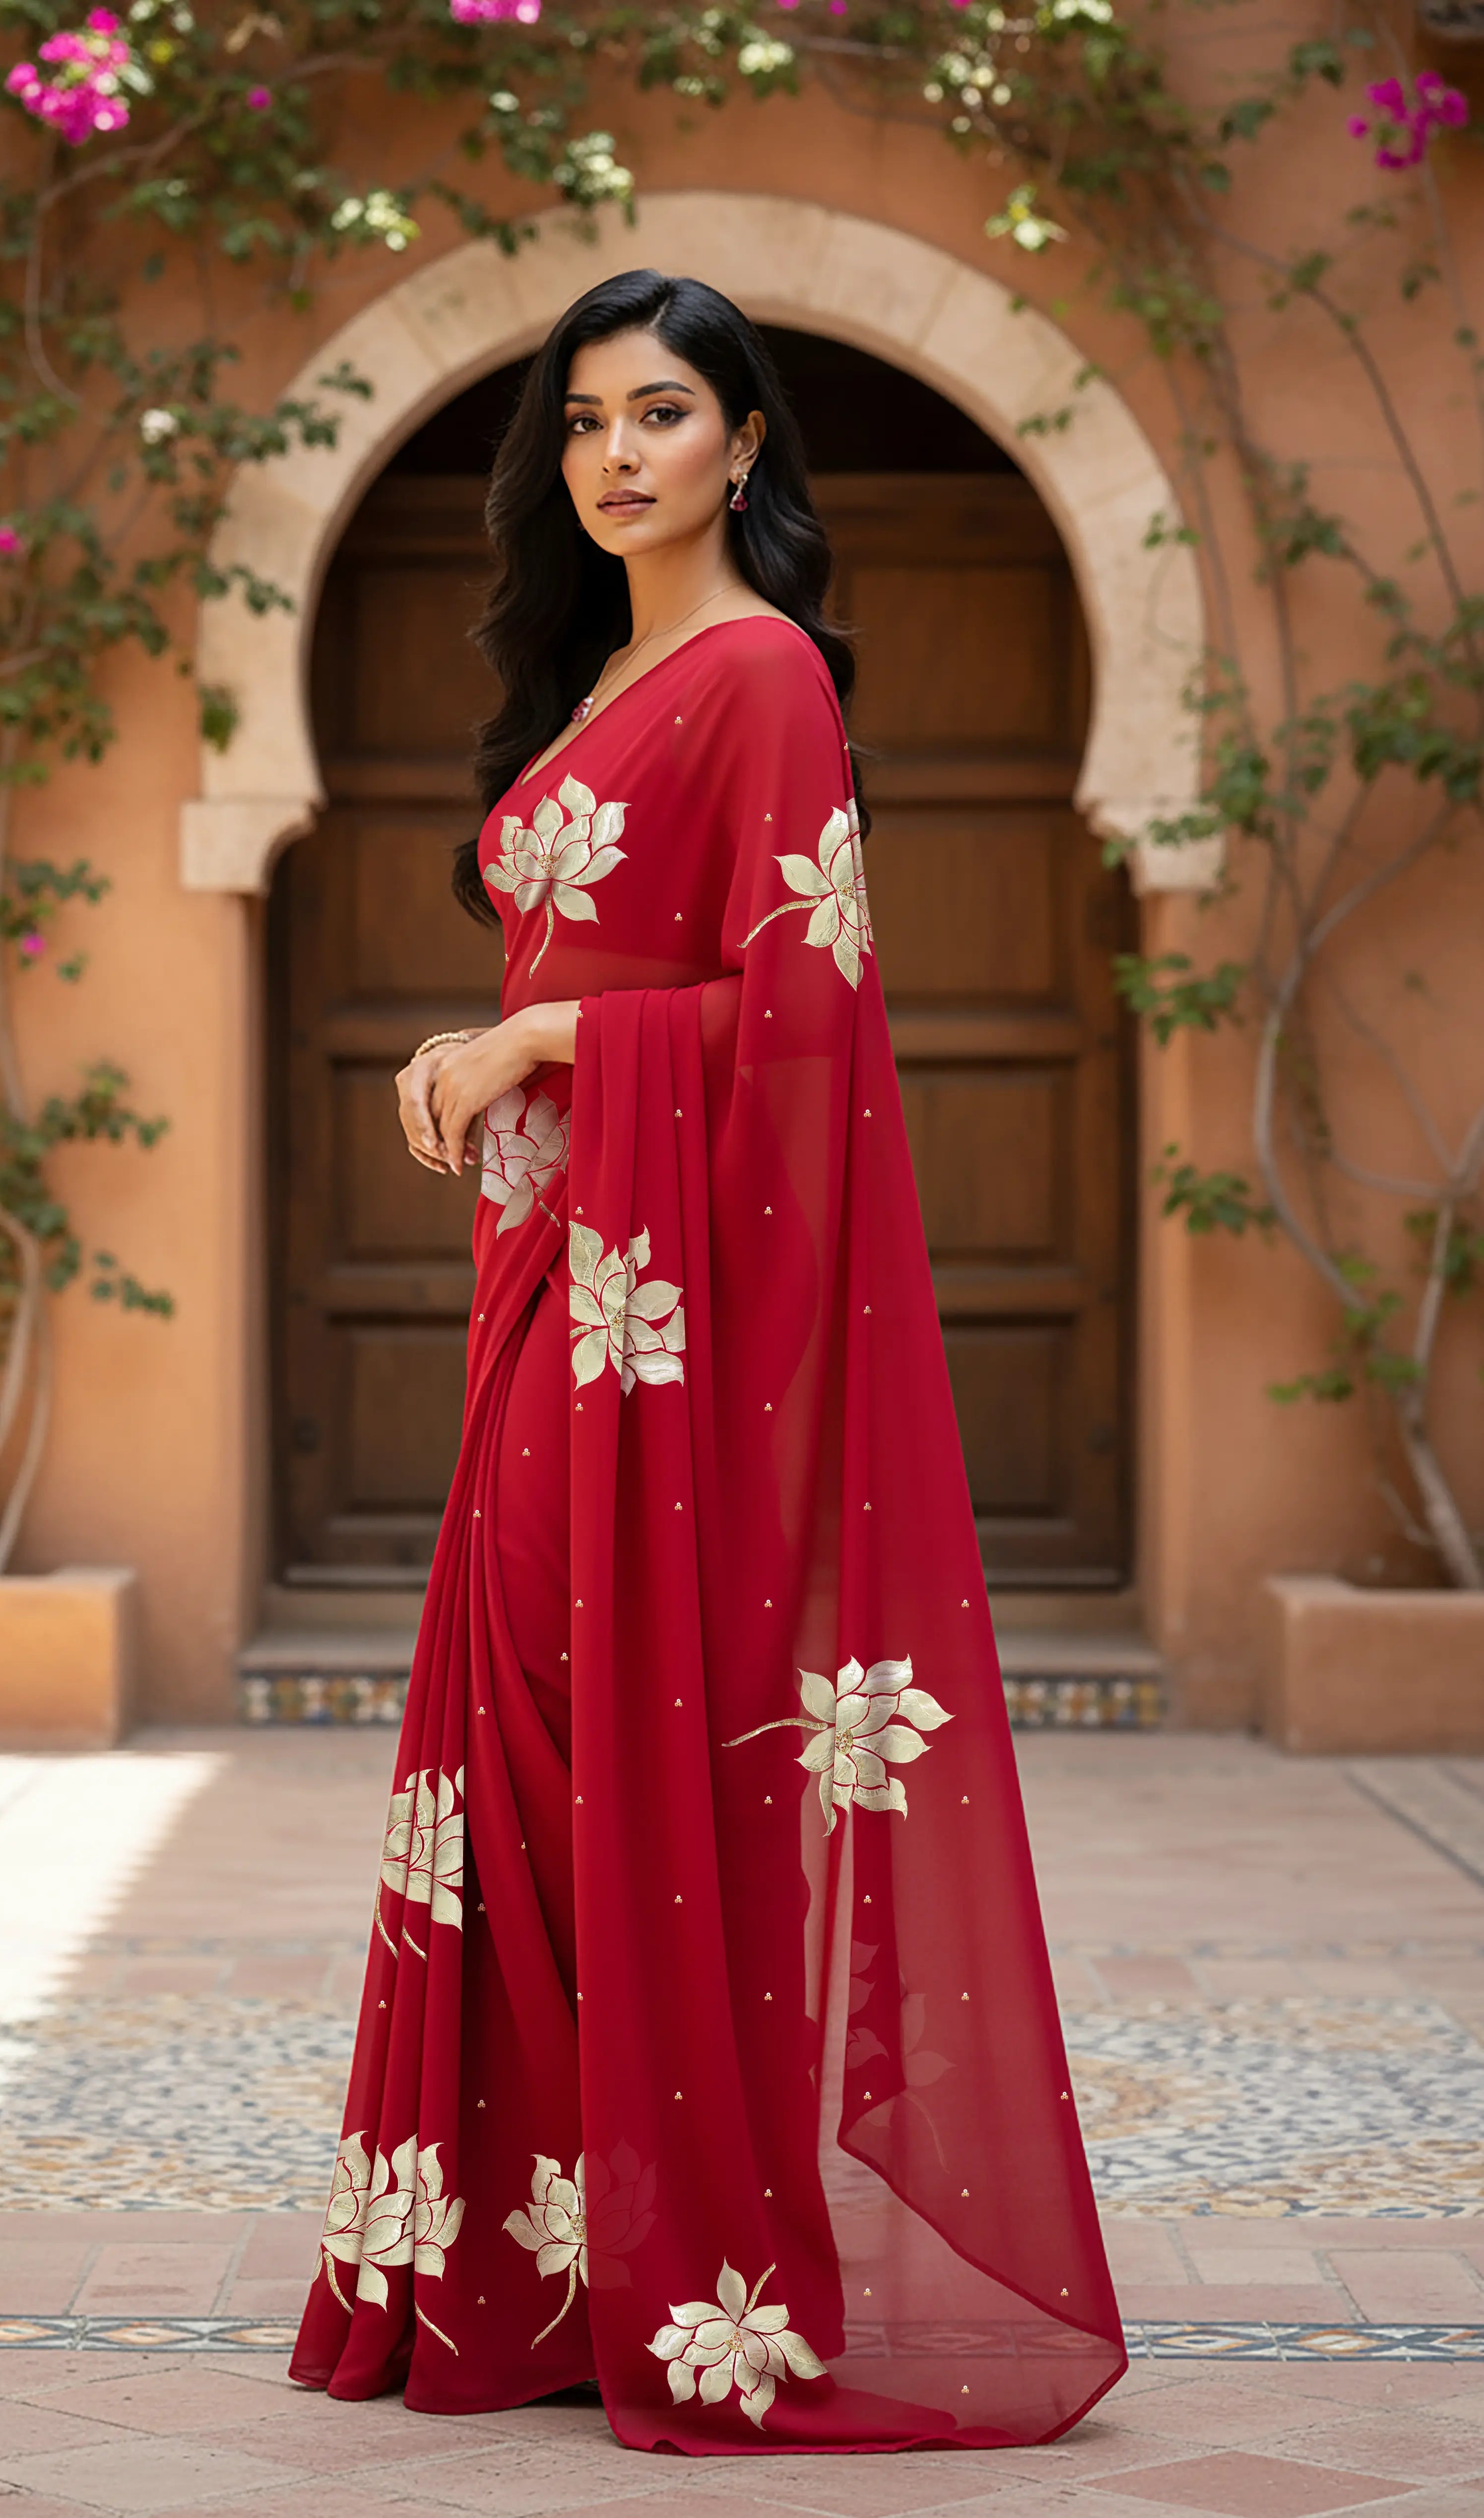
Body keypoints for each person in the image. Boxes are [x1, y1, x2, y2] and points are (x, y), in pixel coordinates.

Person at [290, 269, 1125, 2452]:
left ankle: (692, 2266)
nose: (617, 455)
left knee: (610, 1760)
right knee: (527, 1769)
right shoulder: (611, 674)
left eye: (665, 413)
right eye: (583, 422)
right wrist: (505, 1056)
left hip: (654, 1324)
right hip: (544, 1292)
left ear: (746, 445)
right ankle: (552, 2258)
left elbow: (812, 1030)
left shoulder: (753, 675)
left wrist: (558, 1036)